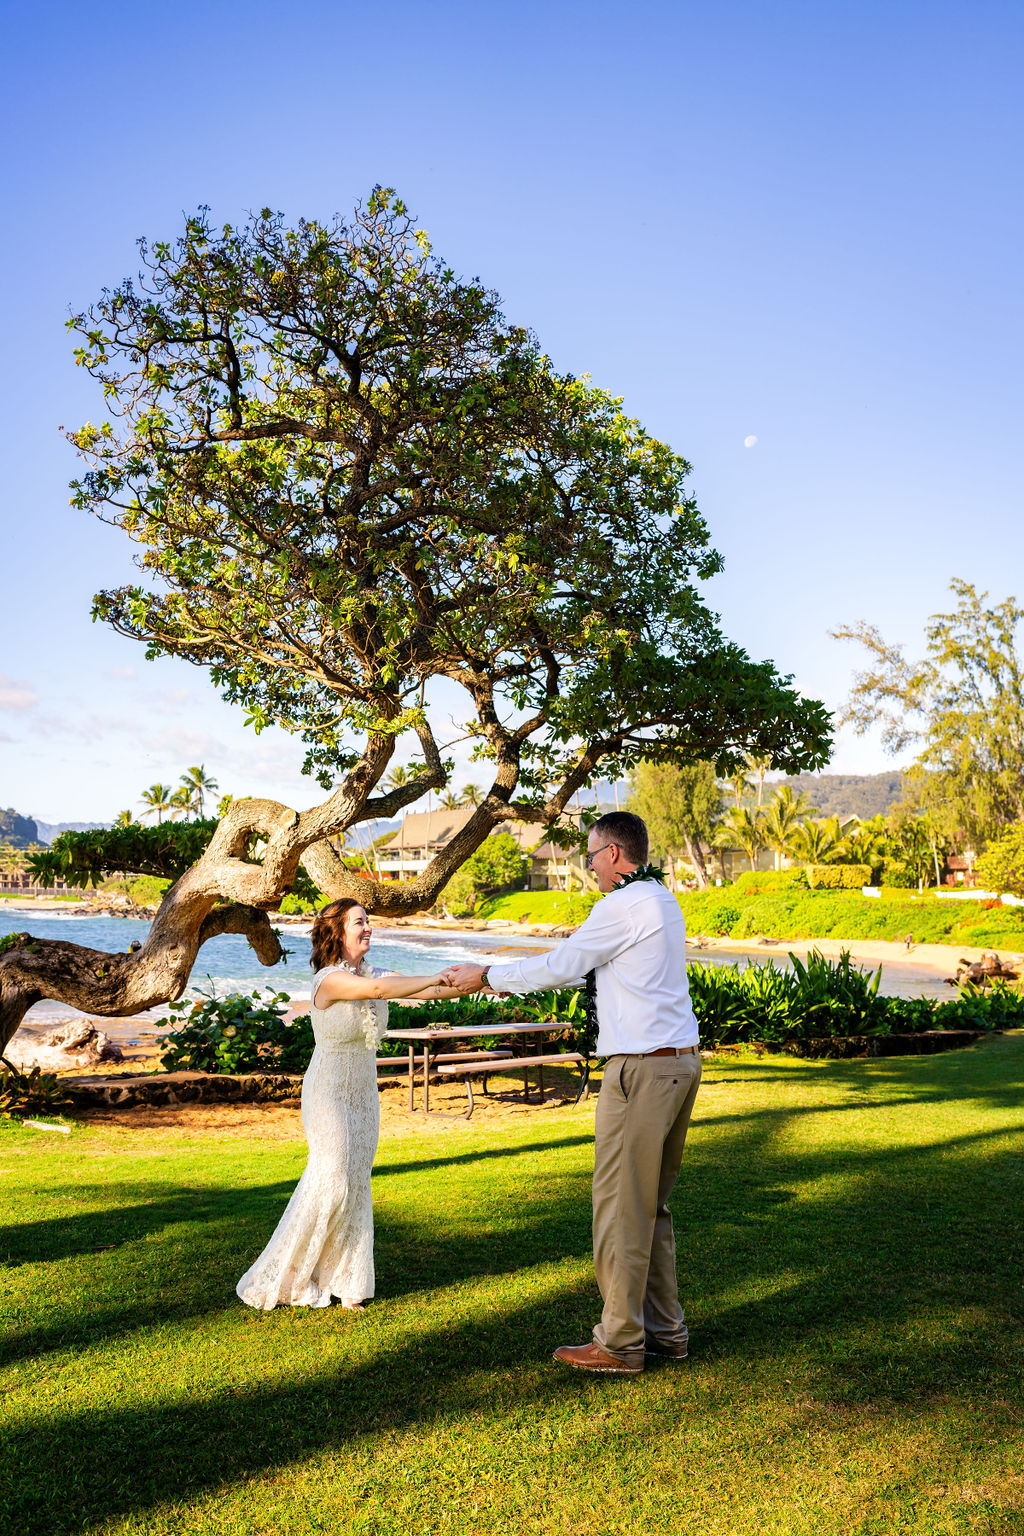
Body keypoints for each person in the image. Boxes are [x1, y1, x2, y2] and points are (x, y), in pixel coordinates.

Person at [443, 811, 701, 1376]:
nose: (589, 866)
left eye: (591, 855)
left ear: (614, 854)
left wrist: (485, 976)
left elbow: (562, 965)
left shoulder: (622, 905)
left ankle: (620, 1343)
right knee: (650, 1208)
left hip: (643, 1071)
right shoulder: (662, 899)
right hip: (678, 1064)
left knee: (620, 1209)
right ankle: (665, 1332)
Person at [236, 897, 462, 1312]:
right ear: (338, 932)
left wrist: (484, 980)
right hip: (328, 1092)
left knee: (356, 1181)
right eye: (360, 922)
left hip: (362, 1093)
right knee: (332, 1179)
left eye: (368, 920)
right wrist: (434, 975)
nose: (368, 927)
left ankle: (349, 1282)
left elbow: (429, 990)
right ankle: (291, 1276)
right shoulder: (329, 980)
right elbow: (378, 991)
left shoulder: (374, 973)